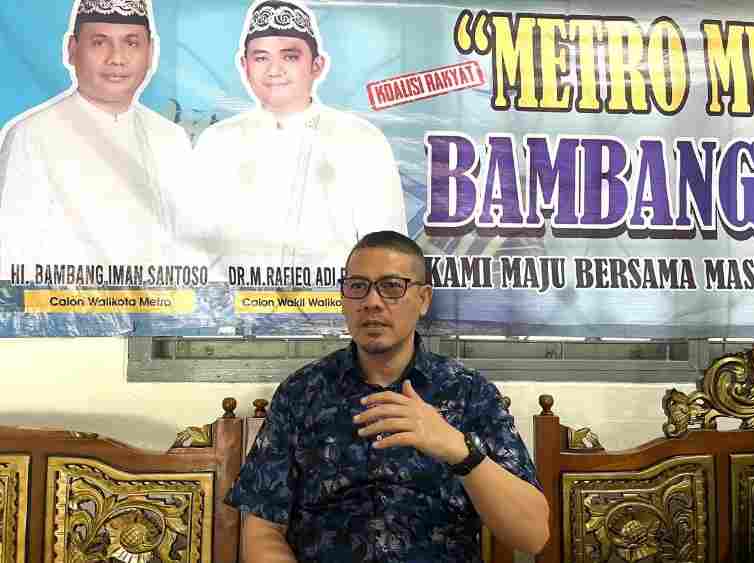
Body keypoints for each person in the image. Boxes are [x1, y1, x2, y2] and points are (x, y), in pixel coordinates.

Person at [226, 230, 550, 562]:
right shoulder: (301, 392)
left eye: (392, 286)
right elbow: (263, 531)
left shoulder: (469, 393)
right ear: (344, 298)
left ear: (424, 299)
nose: (372, 301)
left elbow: (533, 535)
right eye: (358, 286)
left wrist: (457, 448)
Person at [189, 0, 407, 279]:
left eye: (290, 57)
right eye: (261, 58)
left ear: (317, 65)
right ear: (244, 65)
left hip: (335, 303)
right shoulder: (217, 142)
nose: (274, 70)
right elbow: (194, 249)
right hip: (237, 303)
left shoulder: (361, 140)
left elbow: (388, 255)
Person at [0, 0, 190, 280]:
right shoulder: (31, 135)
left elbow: (187, 253)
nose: (117, 58)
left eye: (131, 43)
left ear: (151, 52)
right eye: (100, 43)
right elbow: (9, 262)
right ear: (72, 49)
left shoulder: (170, 138)